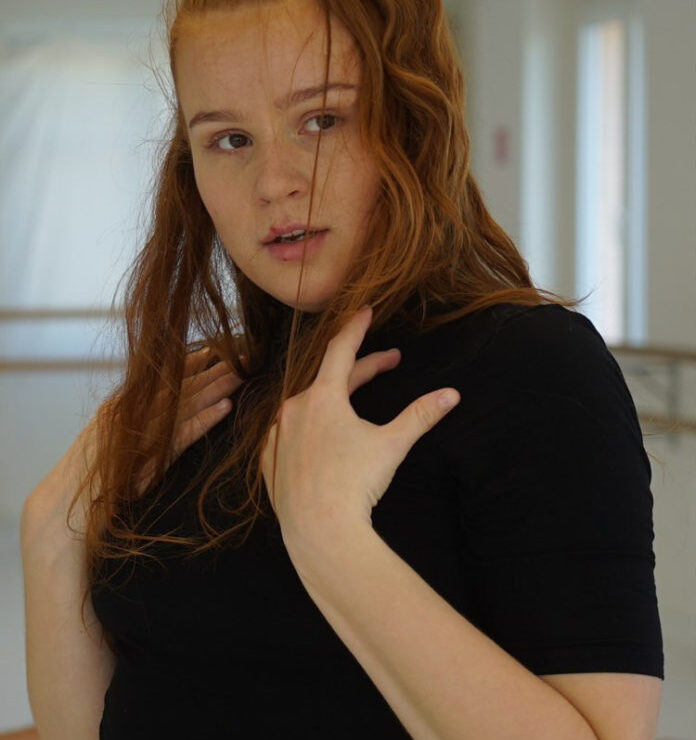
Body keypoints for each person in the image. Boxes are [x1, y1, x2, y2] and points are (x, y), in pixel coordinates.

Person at [20, 0, 664, 738]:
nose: (274, 183)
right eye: (230, 139)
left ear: (412, 121)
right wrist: (52, 530)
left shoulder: (531, 367)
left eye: (322, 120)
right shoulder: (211, 389)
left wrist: (329, 535)